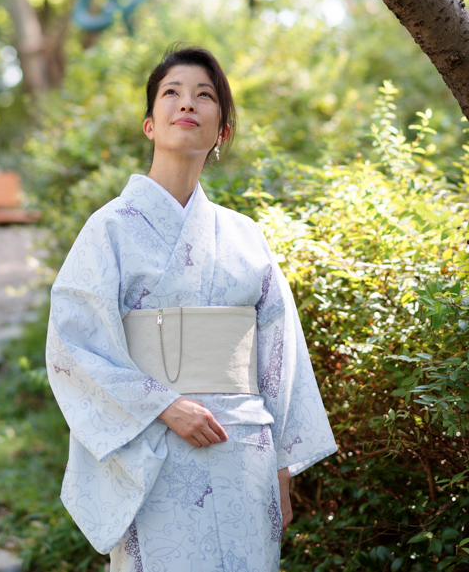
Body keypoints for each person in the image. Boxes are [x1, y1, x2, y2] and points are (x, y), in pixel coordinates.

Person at [45, 45, 337, 571]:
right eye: (171, 93)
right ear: (149, 125)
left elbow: (279, 357)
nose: (188, 104)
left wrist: (281, 472)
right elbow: (75, 344)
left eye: (205, 96)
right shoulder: (110, 229)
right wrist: (164, 405)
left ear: (221, 131)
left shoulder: (246, 237)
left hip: (242, 449)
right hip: (150, 444)